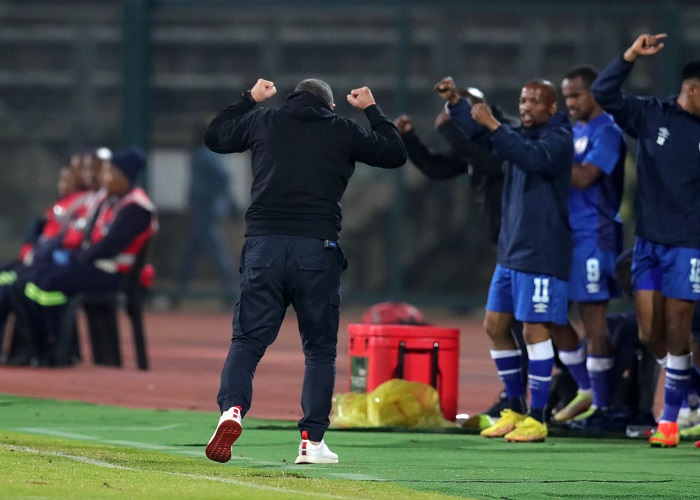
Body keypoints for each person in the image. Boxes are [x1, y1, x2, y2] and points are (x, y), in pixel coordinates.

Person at [202, 78, 407, 464]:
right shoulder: (342, 129)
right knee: (319, 351)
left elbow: (215, 136)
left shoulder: (263, 120)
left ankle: (231, 410)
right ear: (330, 107)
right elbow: (395, 153)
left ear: (293, 99)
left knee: (247, 342)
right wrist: (371, 109)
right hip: (316, 249)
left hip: (264, 246)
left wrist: (249, 99)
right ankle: (311, 442)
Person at [437, 76, 573, 442]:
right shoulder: (516, 136)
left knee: (534, 329)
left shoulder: (558, 140)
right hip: (511, 252)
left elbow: (529, 157)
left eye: (535, 101)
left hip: (542, 253)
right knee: (495, 325)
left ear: (552, 108)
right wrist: (455, 103)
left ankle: (539, 417)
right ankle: (514, 409)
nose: (527, 106)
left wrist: (494, 125)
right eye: (523, 100)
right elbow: (481, 136)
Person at [592, 33, 700, 447]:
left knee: (677, 331)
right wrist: (630, 55)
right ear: (692, 90)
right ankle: (692, 392)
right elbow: (604, 91)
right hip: (648, 245)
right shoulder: (651, 115)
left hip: (689, 246)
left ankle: (670, 420)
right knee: (648, 333)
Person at [9, 147, 158, 366]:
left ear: (124, 176)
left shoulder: (136, 207)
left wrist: (75, 257)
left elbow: (109, 246)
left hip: (113, 275)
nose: (103, 178)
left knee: (46, 281)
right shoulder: (111, 200)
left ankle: (56, 348)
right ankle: (41, 347)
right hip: (92, 267)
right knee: (29, 278)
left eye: (109, 173)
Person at [551, 65, 627, 427]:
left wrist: (549, 153)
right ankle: (585, 388)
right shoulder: (577, 130)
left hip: (595, 236)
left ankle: (602, 406)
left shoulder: (607, 132)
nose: (570, 103)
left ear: (595, 93)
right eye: (565, 97)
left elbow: (584, 177)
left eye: (576, 95)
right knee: (547, 313)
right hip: (567, 236)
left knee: (594, 319)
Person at [175, 128, 238, 309]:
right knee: (190, 255)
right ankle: (177, 294)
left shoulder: (206, 153)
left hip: (207, 213)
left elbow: (224, 177)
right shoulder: (202, 153)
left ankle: (231, 295)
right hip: (201, 212)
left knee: (218, 254)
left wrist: (210, 197)